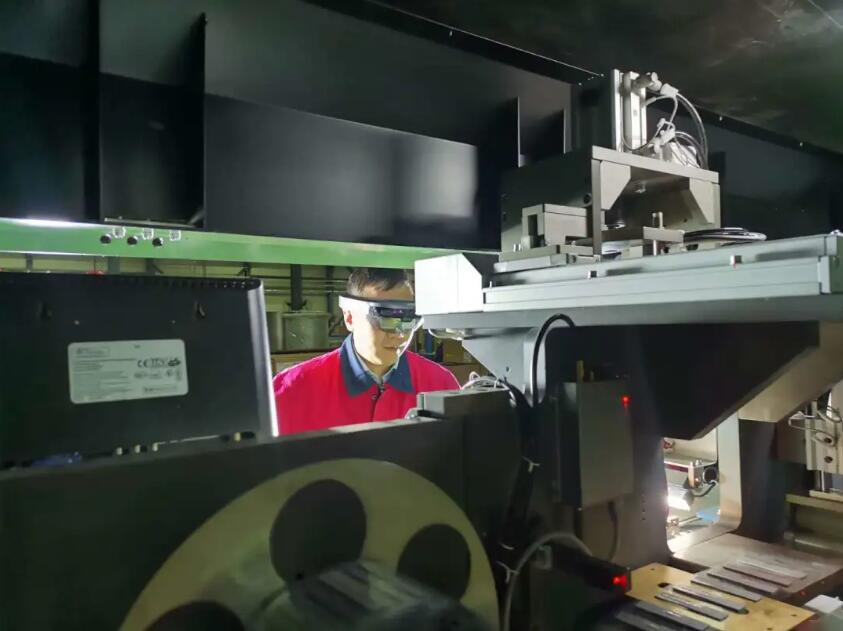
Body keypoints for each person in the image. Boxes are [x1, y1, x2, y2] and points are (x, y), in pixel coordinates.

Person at [274, 268, 459, 434]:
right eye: (386, 319)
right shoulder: (290, 393)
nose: (400, 334)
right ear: (349, 318)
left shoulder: (440, 385)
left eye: (408, 320)